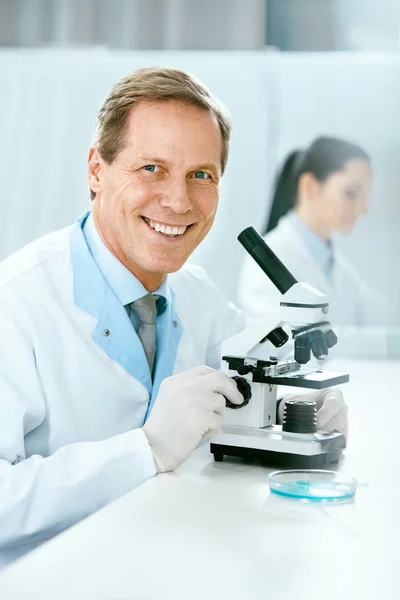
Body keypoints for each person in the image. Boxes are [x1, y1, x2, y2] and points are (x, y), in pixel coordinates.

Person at [0, 69, 347, 566]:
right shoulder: (15, 304)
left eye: (201, 175)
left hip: (169, 564)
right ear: (97, 169)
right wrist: (145, 450)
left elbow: (243, 402)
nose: (179, 201)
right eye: (151, 168)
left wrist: (298, 413)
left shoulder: (196, 295)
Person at [238, 136, 387, 356]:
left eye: (366, 195)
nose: (363, 209)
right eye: (351, 193)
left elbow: (377, 316)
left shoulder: (338, 267)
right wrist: (384, 343)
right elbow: (282, 343)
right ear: (309, 186)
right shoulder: (270, 259)